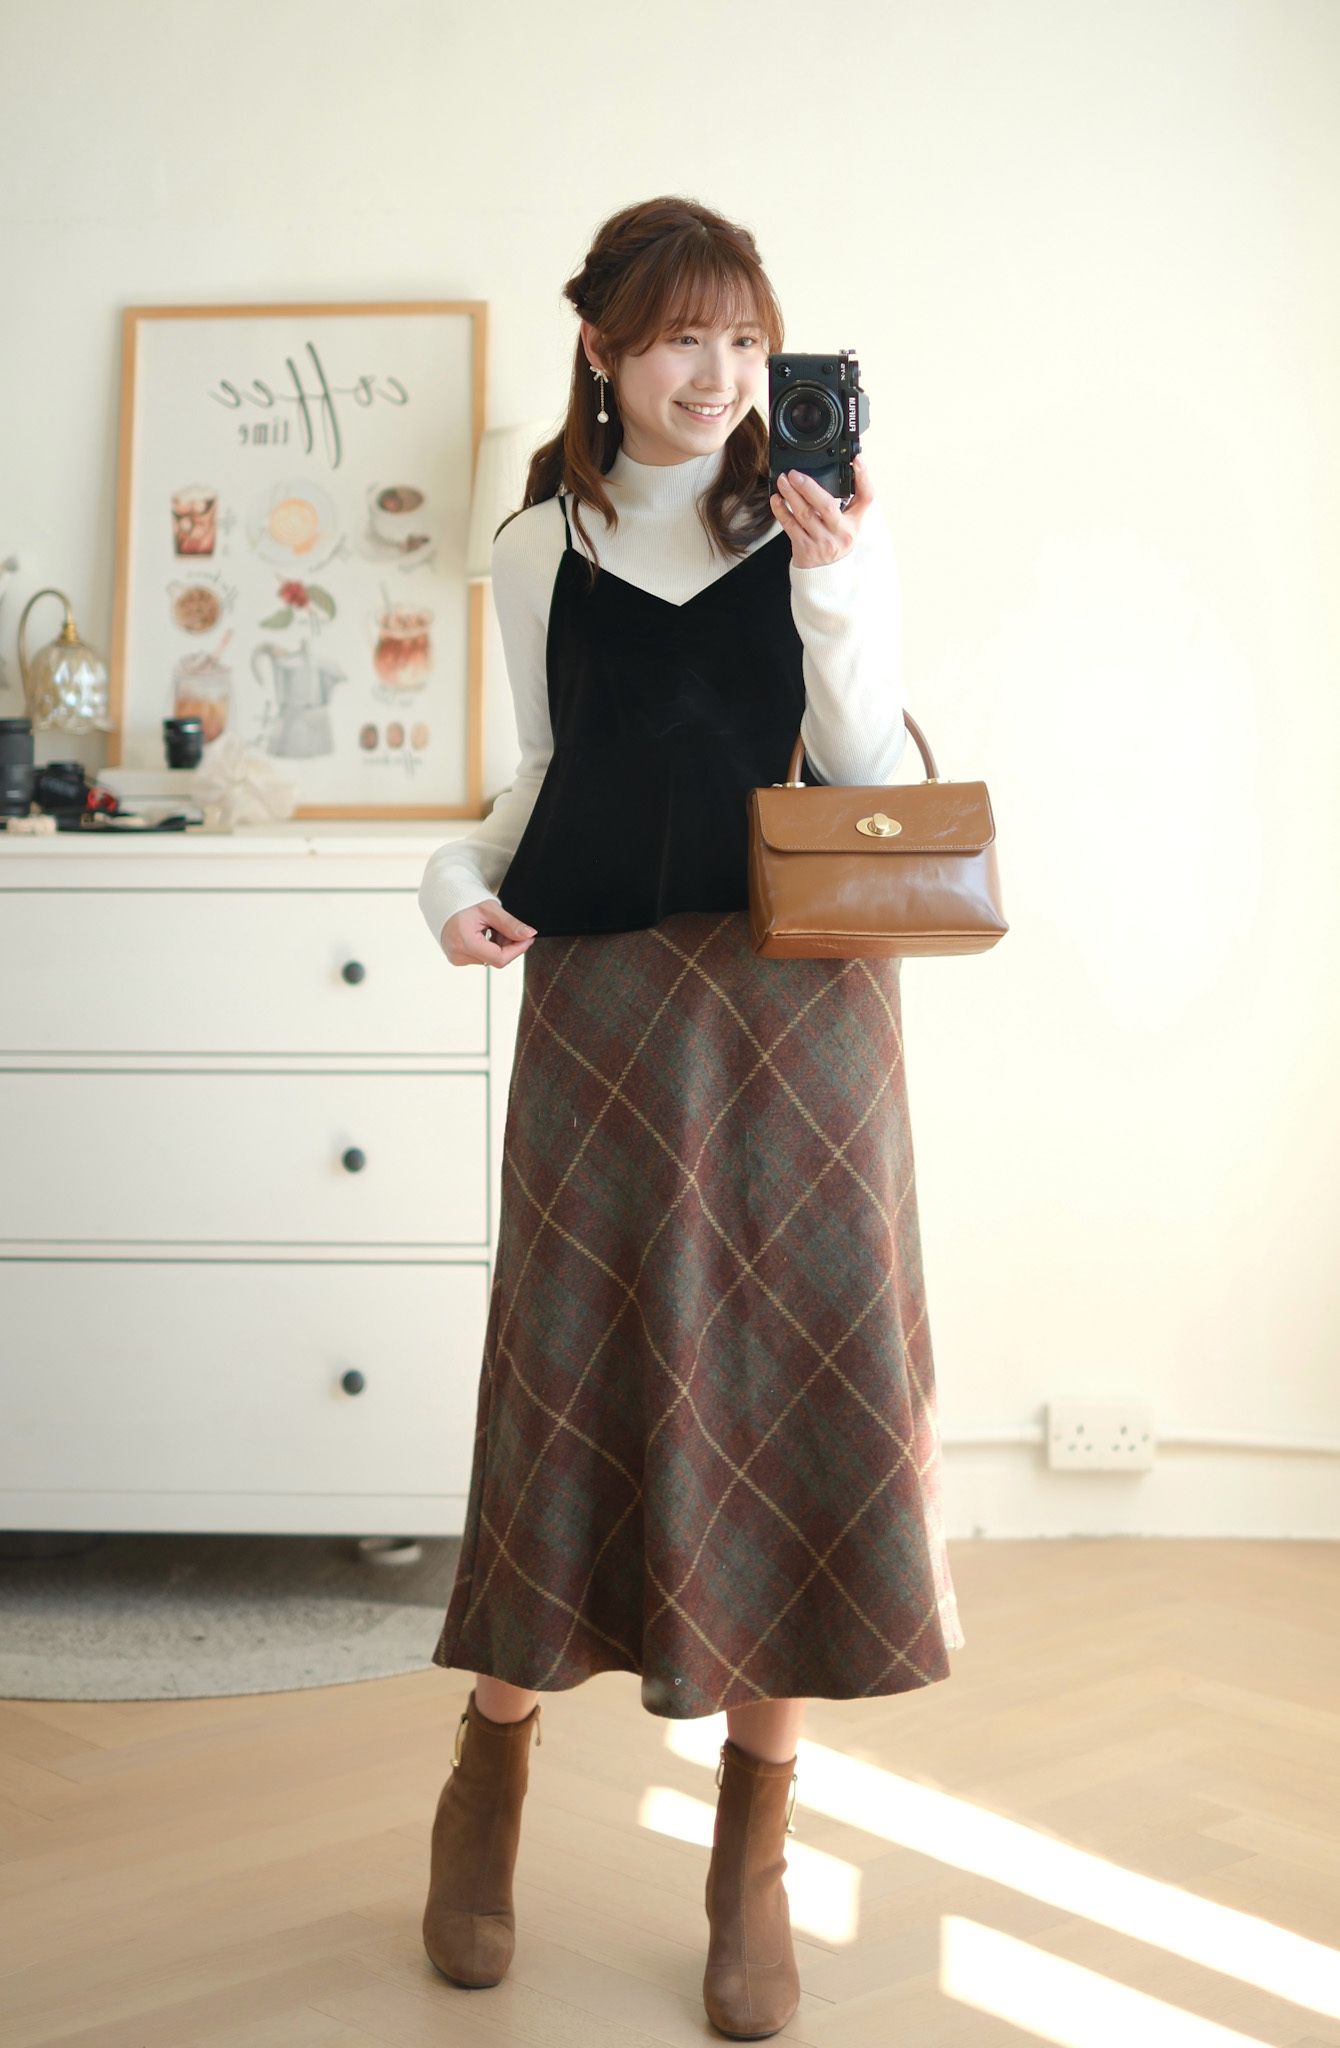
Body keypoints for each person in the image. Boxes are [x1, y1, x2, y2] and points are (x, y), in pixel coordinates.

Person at [416, 195, 961, 2042]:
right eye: (678, 339)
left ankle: (754, 1855)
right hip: (601, 1006)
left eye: (745, 340)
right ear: (603, 348)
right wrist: (448, 884)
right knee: (566, 1374)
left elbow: (869, 774)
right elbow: (541, 770)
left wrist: (839, 583)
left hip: (804, 1014)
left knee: (799, 1380)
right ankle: (490, 1771)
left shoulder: (823, 529)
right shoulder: (534, 545)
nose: (718, 375)